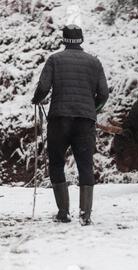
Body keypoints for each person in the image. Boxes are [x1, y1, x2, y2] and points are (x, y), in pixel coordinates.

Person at [32, 25, 109, 226]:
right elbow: (104, 94)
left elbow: (43, 87)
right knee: (85, 165)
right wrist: (93, 110)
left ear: (64, 40)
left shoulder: (55, 60)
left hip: (59, 119)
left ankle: (63, 212)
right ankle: (85, 215)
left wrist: (36, 99)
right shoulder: (94, 62)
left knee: (57, 162)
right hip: (85, 122)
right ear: (81, 40)